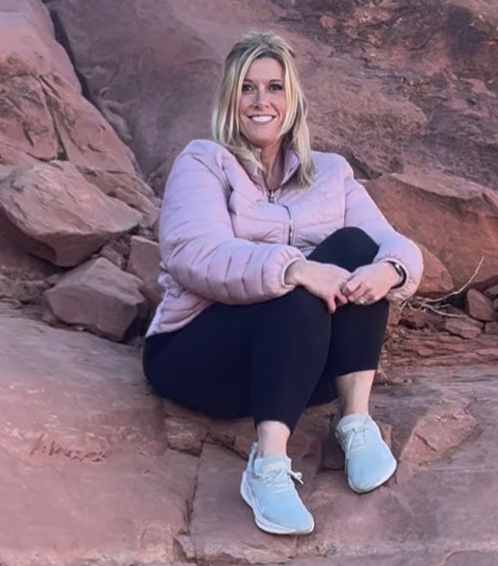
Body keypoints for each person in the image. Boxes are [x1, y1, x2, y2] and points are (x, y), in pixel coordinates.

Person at [142, 31, 423, 536]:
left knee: (358, 248)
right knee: (297, 295)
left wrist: (392, 271)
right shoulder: (204, 161)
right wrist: (294, 268)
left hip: (295, 366)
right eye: (247, 88)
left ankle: (354, 421)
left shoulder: (331, 173)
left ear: (293, 99)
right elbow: (193, 253)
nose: (261, 101)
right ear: (230, 99)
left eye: (274, 87)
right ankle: (269, 465)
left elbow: (391, 243)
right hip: (198, 355)